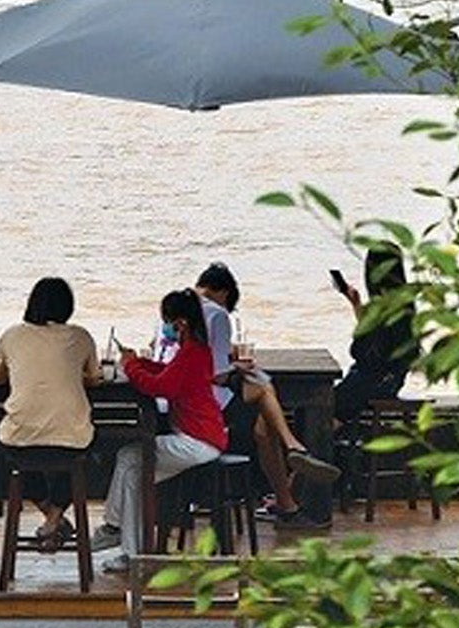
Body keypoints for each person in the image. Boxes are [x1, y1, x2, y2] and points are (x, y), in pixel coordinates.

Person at [193, 262, 338, 527]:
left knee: (263, 426)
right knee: (262, 385)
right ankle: (293, 446)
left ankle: (287, 505)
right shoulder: (217, 315)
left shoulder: (174, 308)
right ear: (224, 293)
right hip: (209, 408)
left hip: (176, 404)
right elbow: (219, 375)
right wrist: (234, 365)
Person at [92, 289, 226, 575]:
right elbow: (166, 372)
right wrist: (137, 362)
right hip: (200, 437)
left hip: (197, 442)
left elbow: (160, 386)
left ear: (181, 323)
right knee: (131, 465)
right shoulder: (195, 351)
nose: (166, 328)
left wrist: (129, 366)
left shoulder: (192, 353)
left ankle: (121, 536)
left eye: (168, 321)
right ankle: (122, 537)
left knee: (130, 460)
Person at [0, 276, 101, 550]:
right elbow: (94, 378)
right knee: (88, 450)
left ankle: (50, 514)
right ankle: (55, 515)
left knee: (7, 445)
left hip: (20, 441)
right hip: (73, 441)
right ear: (68, 307)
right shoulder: (80, 337)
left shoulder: (13, 335)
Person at [333, 244, 418, 424]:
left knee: (324, 409)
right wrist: (356, 305)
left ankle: (318, 447)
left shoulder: (385, 305)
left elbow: (364, 351)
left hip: (374, 381)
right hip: (390, 379)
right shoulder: (402, 300)